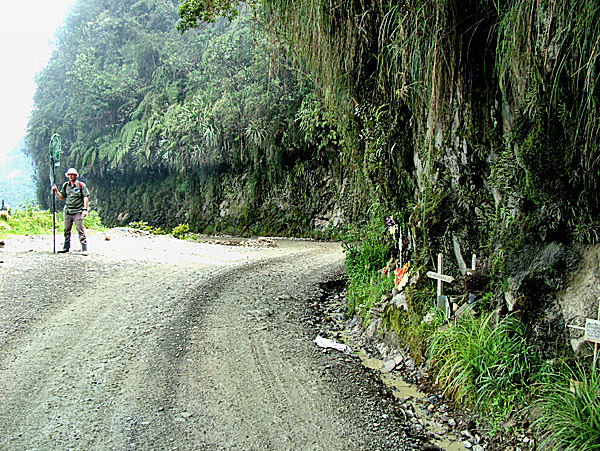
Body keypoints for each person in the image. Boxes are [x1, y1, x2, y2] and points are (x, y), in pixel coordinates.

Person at [51, 168, 90, 254]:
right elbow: (62, 197)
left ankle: (84, 248)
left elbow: (85, 197)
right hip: (68, 211)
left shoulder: (81, 185)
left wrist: (85, 209)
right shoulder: (66, 185)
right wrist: (56, 191)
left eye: (73, 174)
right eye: (69, 174)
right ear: (67, 176)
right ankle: (66, 247)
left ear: (76, 176)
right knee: (66, 229)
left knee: (80, 229)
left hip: (78, 211)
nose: (71, 176)